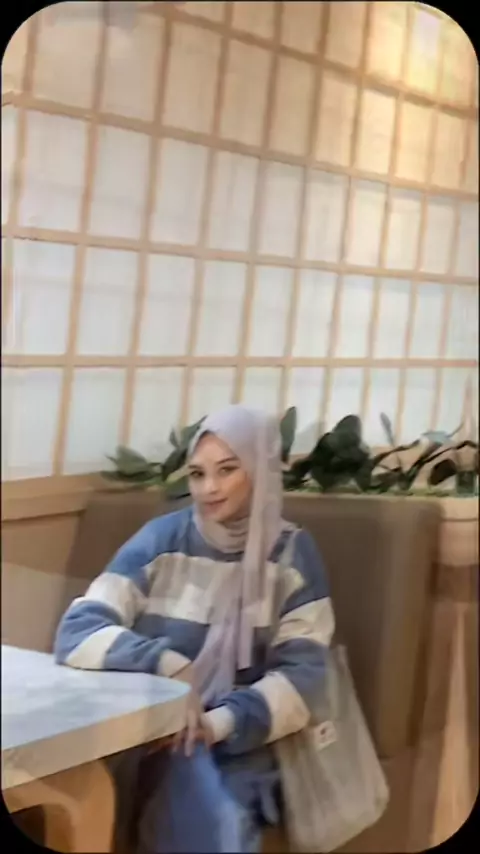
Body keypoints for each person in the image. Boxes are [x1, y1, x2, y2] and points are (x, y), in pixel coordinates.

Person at [54, 404, 335, 853]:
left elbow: (305, 681)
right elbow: (78, 630)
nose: (209, 489)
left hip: (240, 740)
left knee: (213, 813)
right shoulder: (160, 540)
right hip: (146, 728)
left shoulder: (293, 556)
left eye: (227, 470)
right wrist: (169, 666)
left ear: (260, 471)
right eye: (198, 474)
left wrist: (213, 724)